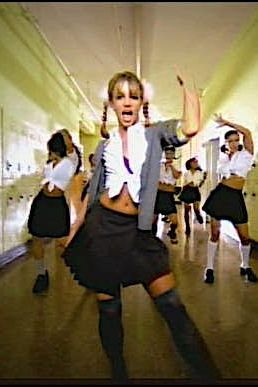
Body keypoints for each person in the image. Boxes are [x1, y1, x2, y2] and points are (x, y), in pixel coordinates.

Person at [61, 69, 221, 381]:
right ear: (111, 103)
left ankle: (207, 374)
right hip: (101, 229)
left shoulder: (154, 134)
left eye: (133, 96)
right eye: (120, 96)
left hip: (139, 232)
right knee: (109, 310)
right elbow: (92, 194)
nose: (127, 102)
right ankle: (118, 371)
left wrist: (189, 90)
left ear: (141, 102)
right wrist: (74, 229)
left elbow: (190, 128)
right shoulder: (103, 147)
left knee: (172, 305)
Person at [202, 113, 257, 284]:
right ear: (226, 143)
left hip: (235, 198)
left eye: (235, 140)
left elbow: (247, 132)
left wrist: (227, 123)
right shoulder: (224, 158)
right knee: (215, 234)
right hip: (220, 195)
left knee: (245, 237)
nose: (233, 143)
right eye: (230, 141)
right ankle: (209, 268)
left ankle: (245, 265)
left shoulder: (246, 154)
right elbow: (222, 178)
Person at [28, 132, 76, 294]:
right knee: (37, 238)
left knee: (63, 240)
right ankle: (41, 274)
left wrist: (64, 134)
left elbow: (69, 144)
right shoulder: (50, 162)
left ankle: (90, 268)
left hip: (57, 204)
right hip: (42, 201)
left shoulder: (71, 161)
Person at [152, 145, 182, 244]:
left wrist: (171, 166)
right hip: (158, 194)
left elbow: (177, 176)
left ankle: (172, 232)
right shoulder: (158, 164)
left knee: (174, 221)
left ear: (174, 154)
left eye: (171, 153)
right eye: (167, 153)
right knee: (153, 219)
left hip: (168, 196)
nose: (169, 155)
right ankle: (153, 238)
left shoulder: (176, 164)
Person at [58, 128, 83, 222]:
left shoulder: (73, 154)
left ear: (70, 139)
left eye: (65, 138)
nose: (64, 142)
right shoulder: (62, 154)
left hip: (69, 187)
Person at [179, 157, 207, 236]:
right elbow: (185, 183)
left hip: (195, 191)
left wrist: (203, 179)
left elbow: (200, 185)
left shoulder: (200, 173)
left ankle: (198, 216)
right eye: (194, 162)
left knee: (196, 209)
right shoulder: (186, 173)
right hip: (187, 191)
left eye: (196, 162)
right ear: (190, 163)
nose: (196, 163)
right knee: (186, 210)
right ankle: (187, 226)